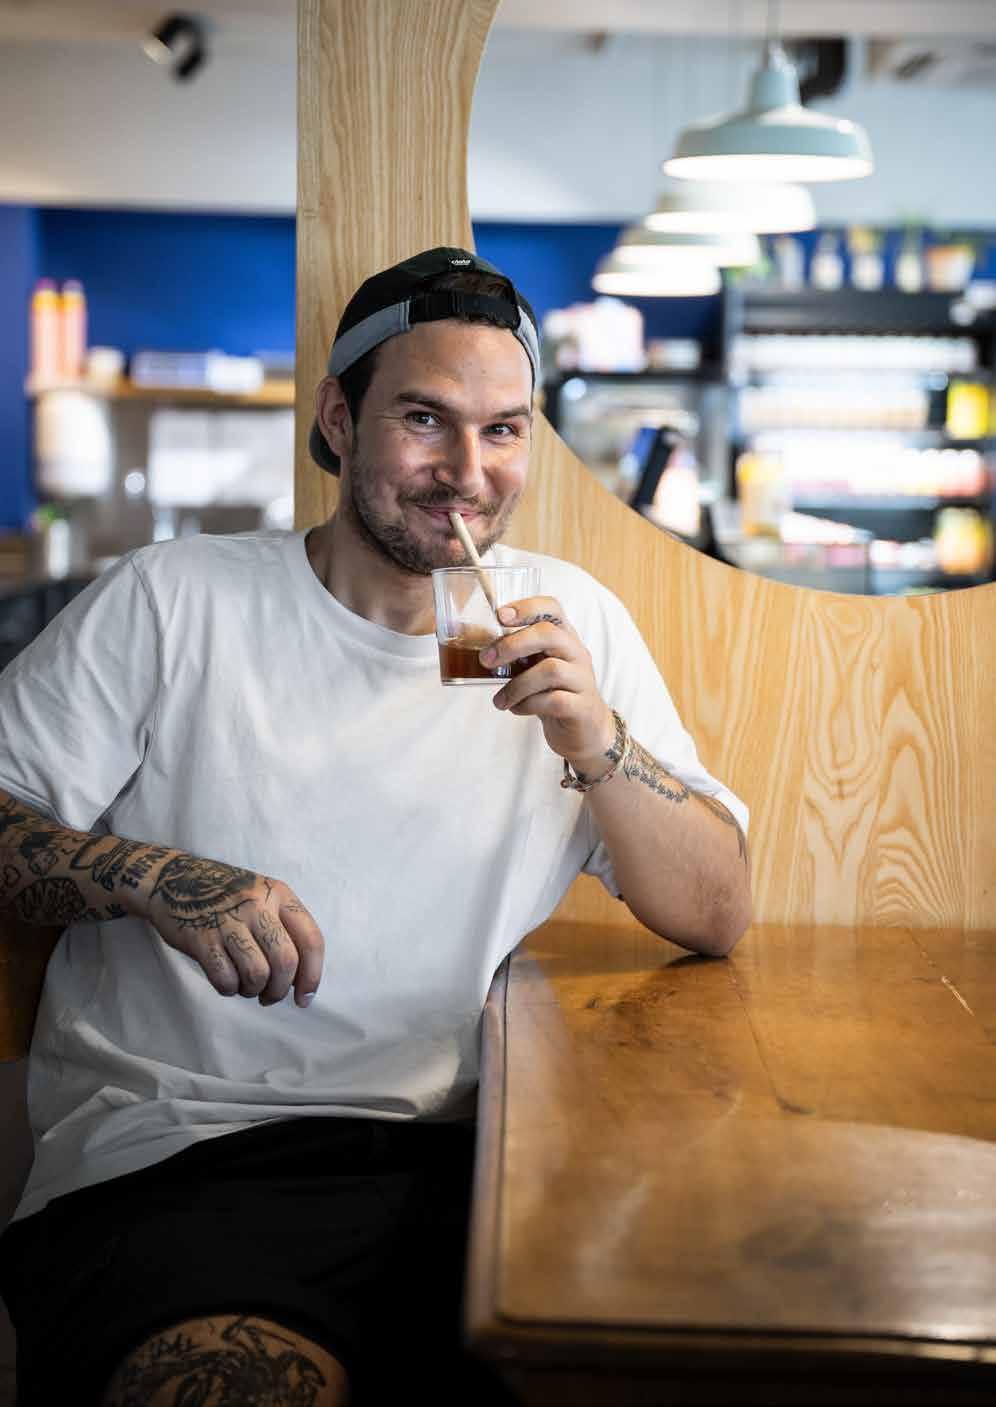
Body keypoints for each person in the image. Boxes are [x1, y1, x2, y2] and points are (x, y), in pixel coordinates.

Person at [0, 247, 751, 1406]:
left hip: (476, 1162)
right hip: (183, 1159)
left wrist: (599, 742)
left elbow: (717, 912)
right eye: (424, 419)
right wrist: (149, 876)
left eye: (503, 431)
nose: (467, 473)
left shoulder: (569, 621)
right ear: (339, 420)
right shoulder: (176, 599)